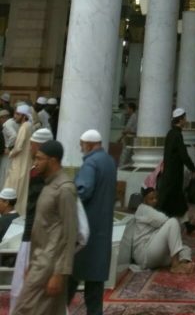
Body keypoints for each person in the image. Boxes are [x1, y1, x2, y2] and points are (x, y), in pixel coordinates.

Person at [11, 139, 77, 315]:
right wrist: (32, 263)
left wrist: (60, 273)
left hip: (49, 265)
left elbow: (70, 234)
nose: (36, 163)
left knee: (23, 310)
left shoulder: (64, 189)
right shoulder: (49, 185)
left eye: (40, 158)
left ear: (53, 160)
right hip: (40, 262)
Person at [67, 128, 117, 315]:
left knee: (71, 276)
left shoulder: (91, 164)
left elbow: (82, 191)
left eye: (82, 145)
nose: (81, 148)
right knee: (94, 285)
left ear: (88, 144)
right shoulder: (109, 161)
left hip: (85, 230)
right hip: (102, 229)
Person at [9, 126, 53, 315]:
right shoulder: (36, 169)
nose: (31, 148)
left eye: (33, 145)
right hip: (33, 234)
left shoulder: (45, 173)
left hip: (38, 236)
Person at [132, 186, 193, 272]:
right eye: (151, 199)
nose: (155, 201)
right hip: (145, 254)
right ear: (144, 200)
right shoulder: (143, 208)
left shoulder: (151, 210)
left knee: (185, 249)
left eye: (156, 198)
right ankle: (175, 265)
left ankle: (182, 264)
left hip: (154, 253)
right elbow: (164, 219)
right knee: (173, 222)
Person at [157, 108, 195, 221]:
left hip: (170, 172)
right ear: (181, 120)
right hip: (174, 174)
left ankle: (187, 225)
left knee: (178, 200)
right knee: (166, 201)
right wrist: (193, 168)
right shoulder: (177, 135)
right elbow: (183, 155)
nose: (186, 121)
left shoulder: (171, 133)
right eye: (185, 118)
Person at [4, 105, 33, 216]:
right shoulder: (29, 126)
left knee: (14, 189)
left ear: (24, 116)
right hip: (25, 162)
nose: (15, 116)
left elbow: (19, 147)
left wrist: (10, 153)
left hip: (20, 163)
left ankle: (12, 215)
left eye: (17, 114)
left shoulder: (24, 127)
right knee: (22, 190)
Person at [119, 102, 138, 167]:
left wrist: (125, 132)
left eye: (128, 108)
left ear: (131, 109)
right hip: (128, 137)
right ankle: (126, 166)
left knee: (125, 154)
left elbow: (133, 130)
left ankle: (122, 166)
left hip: (130, 138)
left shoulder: (134, 117)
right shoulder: (132, 117)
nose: (127, 110)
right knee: (128, 154)